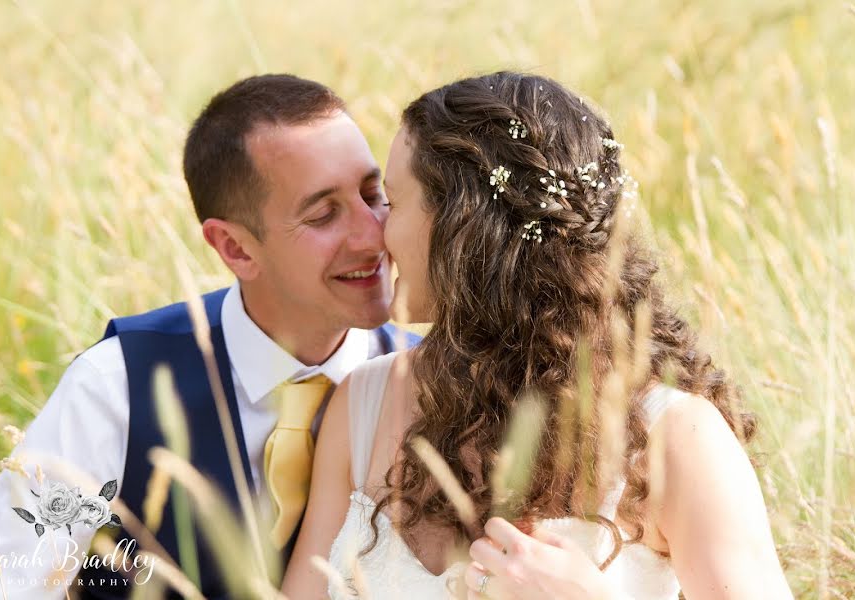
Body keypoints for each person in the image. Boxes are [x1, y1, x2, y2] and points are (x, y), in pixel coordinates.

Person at [281, 71, 793, 599]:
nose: (374, 233)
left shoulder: (676, 438)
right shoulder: (363, 406)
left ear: (462, 229)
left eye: (393, 200)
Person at [0, 74, 415, 599]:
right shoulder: (117, 385)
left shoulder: (434, 386)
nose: (372, 234)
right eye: (323, 214)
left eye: (373, 193)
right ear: (236, 248)